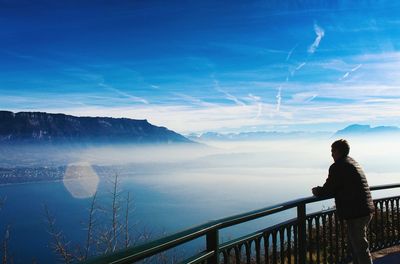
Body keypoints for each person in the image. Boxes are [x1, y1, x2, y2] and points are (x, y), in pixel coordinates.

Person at [312, 139, 375, 264]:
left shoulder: (339, 166)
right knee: (357, 246)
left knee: (360, 248)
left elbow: (329, 189)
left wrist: (317, 191)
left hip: (356, 212)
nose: (331, 154)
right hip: (365, 209)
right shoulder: (353, 162)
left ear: (338, 151)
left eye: (332, 151)